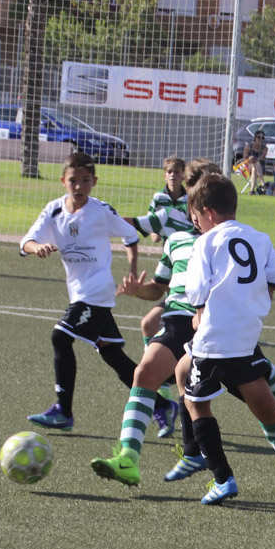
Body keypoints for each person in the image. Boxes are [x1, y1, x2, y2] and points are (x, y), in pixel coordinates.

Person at [89, 160, 275, 491]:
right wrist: (137, 291)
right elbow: (160, 289)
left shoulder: (221, 239)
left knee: (260, 396)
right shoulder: (177, 240)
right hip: (182, 318)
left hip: (219, 324)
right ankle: (129, 459)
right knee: (146, 373)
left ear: (204, 207)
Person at [175, 173, 275, 504]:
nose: (196, 224)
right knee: (269, 414)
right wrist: (249, 303)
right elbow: (274, 280)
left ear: (207, 212)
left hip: (212, 343)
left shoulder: (205, 242)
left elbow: (196, 291)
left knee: (196, 404)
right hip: (244, 339)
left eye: (196, 218)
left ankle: (223, 478)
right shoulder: (260, 238)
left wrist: (199, 313)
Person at [22, 152, 140, 432]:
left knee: (60, 337)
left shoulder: (101, 211)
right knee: (113, 356)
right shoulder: (54, 211)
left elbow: (131, 235)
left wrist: (132, 270)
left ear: (94, 182)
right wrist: (37, 247)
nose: (79, 186)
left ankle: (63, 411)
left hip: (97, 292)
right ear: (63, 181)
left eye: (85, 181)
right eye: (73, 180)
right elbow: (26, 240)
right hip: (78, 293)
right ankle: (162, 406)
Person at [125, 156, 190, 438]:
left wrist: (104, 220)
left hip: (195, 294)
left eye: (178, 172)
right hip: (177, 277)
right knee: (149, 325)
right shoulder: (161, 204)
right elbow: (150, 223)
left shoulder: (189, 213)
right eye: (170, 172)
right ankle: (163, 402)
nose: (174, 176)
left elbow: (144, 222)